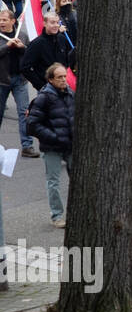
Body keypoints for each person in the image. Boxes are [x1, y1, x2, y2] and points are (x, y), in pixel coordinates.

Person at [26, 63, 74, 227]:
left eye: (65, 76)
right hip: (52, 147)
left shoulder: (70, 94)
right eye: (59, 77)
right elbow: (32, 125)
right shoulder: (43, 97)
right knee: (53, 182)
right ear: (51, 79)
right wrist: (54, 137)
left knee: (78, 180)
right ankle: (57, 216)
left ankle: (76, 213)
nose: (63, 80)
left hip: (70, 145)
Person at [0, 9, 36, 157]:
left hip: (20, 80)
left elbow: (31, 55)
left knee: (24, 112)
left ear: (13, 21)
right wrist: (7, 46)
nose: (1, 22)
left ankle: (27, 146)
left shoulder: (22, 35)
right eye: (0, 20)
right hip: (2, 80)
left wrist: (23, 48)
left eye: (4, 20)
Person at [21, 10, 75, 90]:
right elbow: (25, 67)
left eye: (58, 23)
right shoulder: (36, 44)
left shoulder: (62, 39)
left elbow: (69, 60)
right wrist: (40, 85)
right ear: (45, 23)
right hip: (47, 88)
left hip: (65, 85)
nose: (56, 25)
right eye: (52, 22)